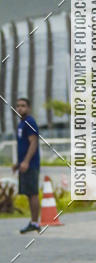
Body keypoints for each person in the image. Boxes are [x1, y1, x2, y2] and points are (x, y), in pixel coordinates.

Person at [12, 97, 40, 234]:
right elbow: (23, 146)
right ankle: (33, 222)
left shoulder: (30, 122)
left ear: (28, 108)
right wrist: (18, 163)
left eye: (23, 105)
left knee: (33, 193)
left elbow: (33, 143)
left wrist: (26, 161)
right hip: (24, 164)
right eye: (18, 106)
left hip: (31, 165)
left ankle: (35, 223)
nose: (20, 108)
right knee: (29, 194)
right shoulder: (21, 124)